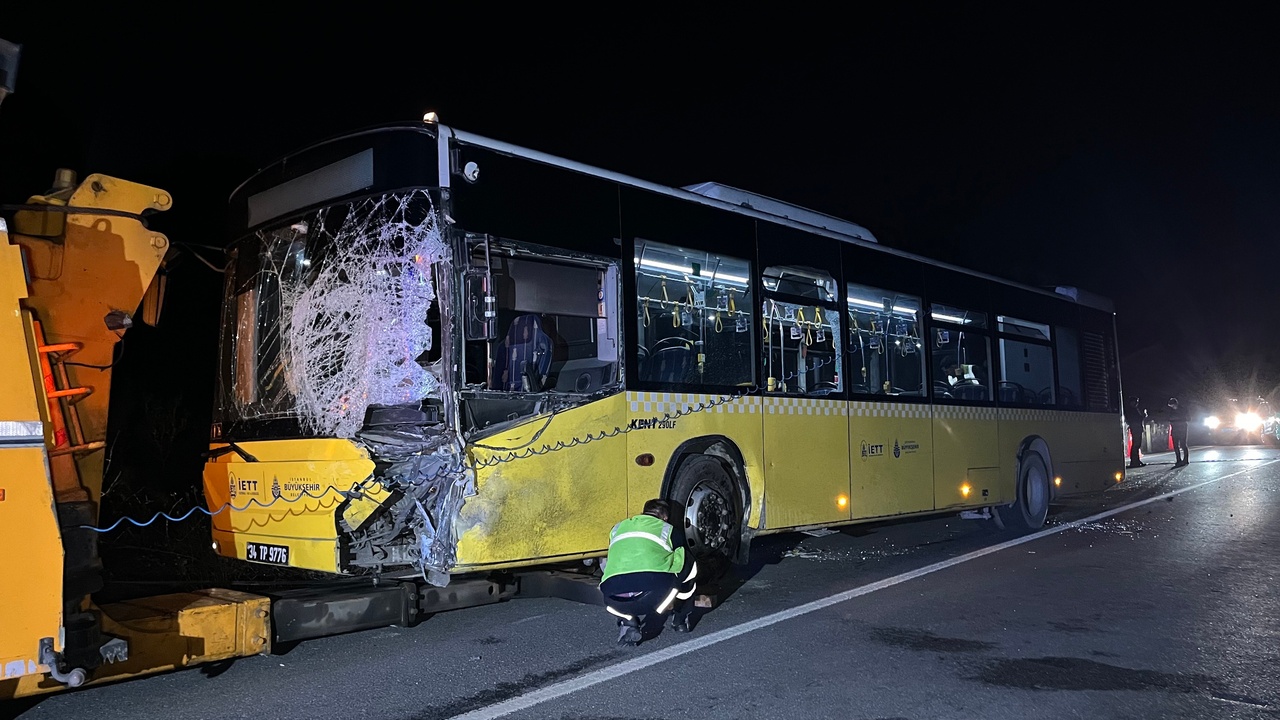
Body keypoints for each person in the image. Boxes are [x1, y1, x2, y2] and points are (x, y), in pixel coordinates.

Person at [599, 498, 700, 646]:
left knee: (614, 566)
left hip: (612, 600)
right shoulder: (667, 529)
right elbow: (680, 556)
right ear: (665, 517)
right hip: (653, 600)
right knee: (687, 560)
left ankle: (628, 620)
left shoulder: (617, 528)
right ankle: (680, 618)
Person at [1125, 396, 1147, 468]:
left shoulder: (1132, 410)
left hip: (1136, 428)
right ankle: (1135, 461)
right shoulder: (1132, 410)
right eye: (1136, 402)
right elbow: (1138, 418)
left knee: (1136, 445)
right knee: (1136, 445)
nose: (1137, 403)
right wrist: (1144, 415)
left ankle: (1136, 461)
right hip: (1136, 428)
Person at [1168, 397, 1190, 466]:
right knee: (1175, 446)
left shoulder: (1183, 410)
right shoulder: (1171, 411)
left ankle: (1185, 460)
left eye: (1173, 405)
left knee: (1183, 445)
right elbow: (1168, 418)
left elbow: (1188, 418)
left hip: (1182, 429)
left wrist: (1178, 419)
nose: (1172, 407)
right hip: (1175, 429)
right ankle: (1178, 460)